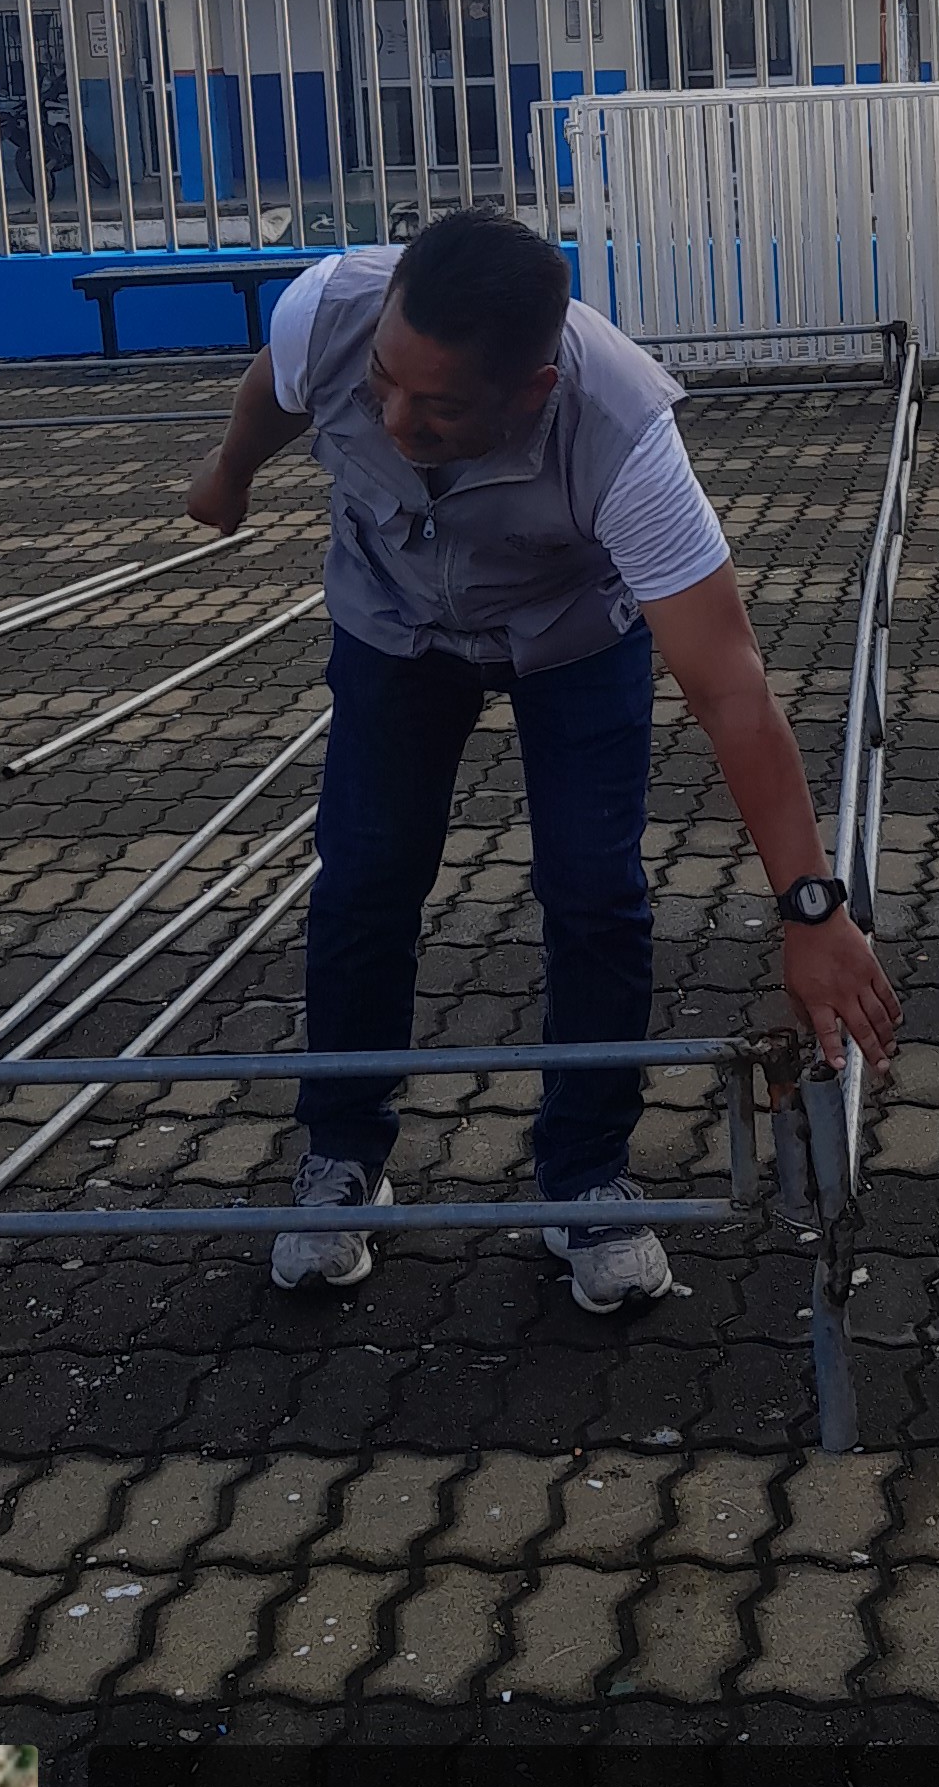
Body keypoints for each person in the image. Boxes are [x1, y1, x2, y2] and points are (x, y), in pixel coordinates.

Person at [187, 209, 898, 1309]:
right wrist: (230, 473)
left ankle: (586, 1178)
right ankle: (341, 1160)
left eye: (438, 406)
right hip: (393, 621)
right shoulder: (324, 311)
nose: (394, 418)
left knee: (594, 891)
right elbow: (275, 395)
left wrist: (812, 911)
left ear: (532, 392)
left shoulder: (623, 437)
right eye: (384, 383)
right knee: (366, 878)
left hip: (571, 634)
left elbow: (730, 686)